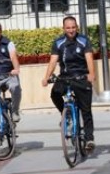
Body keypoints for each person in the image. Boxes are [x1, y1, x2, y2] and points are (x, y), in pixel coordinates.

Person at [41, 16, 96, 150]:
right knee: (54, 94)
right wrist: (46, 77)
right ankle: (67, 114)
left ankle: (89, 139)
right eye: (68, 28)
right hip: (65, 78)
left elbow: (89, 58)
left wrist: (91, 74)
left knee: (86, 110)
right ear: (64, 29)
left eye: (73, 27)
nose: (71, 30)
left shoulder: (83, 41)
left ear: (77, 27)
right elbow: (53, 61)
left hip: (81, 77)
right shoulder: (59, 42)